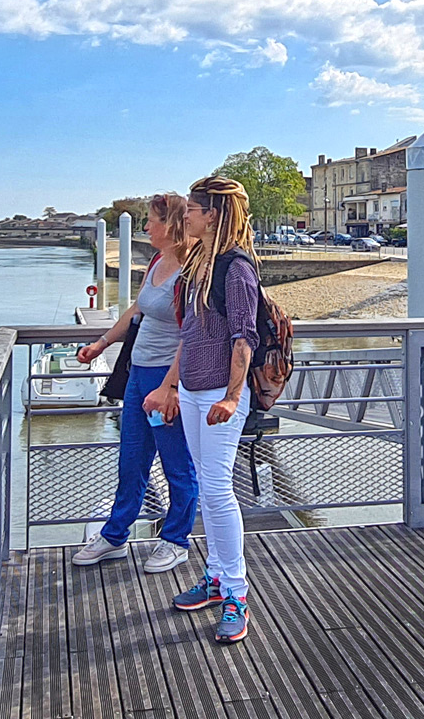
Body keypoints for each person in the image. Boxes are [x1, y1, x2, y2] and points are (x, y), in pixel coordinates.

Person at [145, 175, 258, 644]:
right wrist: (172, 386)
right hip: (191, 391)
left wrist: (232, 397)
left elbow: (244, 336)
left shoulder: (236, 269)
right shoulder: (197, 267)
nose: (185, 215)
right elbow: (190, 335)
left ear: (211, 215)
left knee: (216, 488)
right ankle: (215, 577)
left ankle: (236, 592)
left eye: (192, 208)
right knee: (208, 487)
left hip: (218, 395)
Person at [70, 194, 197, 574]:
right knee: (131, 460)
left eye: (151, 221)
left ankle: (176, 540)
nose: (145, 228)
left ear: (171, 224)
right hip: (139, 376)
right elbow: (137, 309)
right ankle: (114, 536)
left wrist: (170, 387)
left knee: (176, 464)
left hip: (165, 381)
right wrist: (101, 343)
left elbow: (192, 334)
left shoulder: (193, 270)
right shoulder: (158, 261)